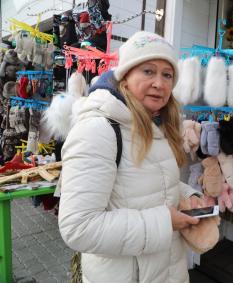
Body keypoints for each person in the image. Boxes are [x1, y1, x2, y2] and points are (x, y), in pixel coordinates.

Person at [58, 31, 204, 283]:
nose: (160, 83)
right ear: (125, 77)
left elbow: (146, 182)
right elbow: (78, 228)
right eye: (148, 71)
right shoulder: (99, 130)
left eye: (167, 75)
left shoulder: (155, 124)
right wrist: (163, 222)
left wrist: (188, 197)